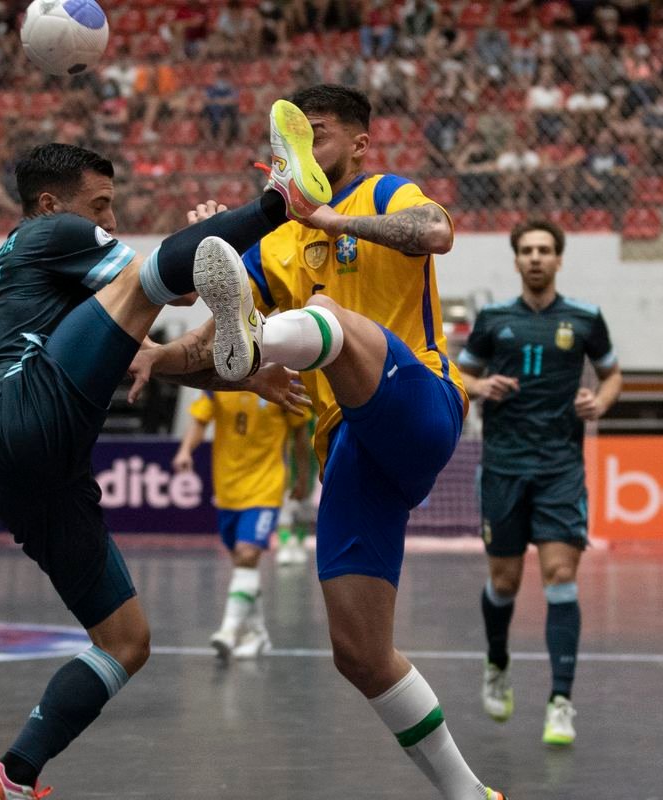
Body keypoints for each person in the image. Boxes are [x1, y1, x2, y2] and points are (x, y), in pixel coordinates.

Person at [0, 100, 333, 800]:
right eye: (101, 206)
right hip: (16, 409)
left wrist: (244, 374)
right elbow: (162, 283)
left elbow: (147, 353)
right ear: (52, 204)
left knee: (126, 641)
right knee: (145, 279)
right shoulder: (50, 233)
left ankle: (13, 774)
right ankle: (283, 199)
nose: (110, 219)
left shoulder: (53, 282)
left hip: (20, 469)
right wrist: (224, 235)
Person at [142, 84, 506, 800]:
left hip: (420, 402)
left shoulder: (384, 192)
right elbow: (215, 353)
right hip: (348, 448)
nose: (301, 149)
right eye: (292, 139)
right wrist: (156, 358)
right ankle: (471, 794)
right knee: (360, 654)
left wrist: (330, 218)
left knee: (327, 315)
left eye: (316, 135)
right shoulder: (274, 239)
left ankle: (273, 334)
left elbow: (435, 231)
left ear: (360, 144)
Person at [455, 219, 621, 749]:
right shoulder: (493, 319)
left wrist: (600, 402)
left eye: (544, 250)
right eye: (526, 250)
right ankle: (497, 661)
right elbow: (458, 375)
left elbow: (613, 374)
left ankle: (560, 701)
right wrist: (481, 386)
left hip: (560, 468)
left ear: (558, 259)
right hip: (503, 466)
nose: (535, 257)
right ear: (516, 259)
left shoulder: (586, 318)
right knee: (505, 583)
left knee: (560, 576)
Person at [172, 388, 309, 658]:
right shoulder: (218, 384)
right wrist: (185, 450)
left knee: (247, 554)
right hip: (228, 488)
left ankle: (228, 630)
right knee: (242, 565)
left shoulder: (280, 382)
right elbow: (200, 420)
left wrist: (302, 476)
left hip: (266, 486)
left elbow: (300, 433)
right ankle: (258, 635)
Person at [274, 411, 317, 566]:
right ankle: (284, 544)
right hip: (285, 465)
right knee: (285, 508)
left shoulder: (313, 412)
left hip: (309, 464)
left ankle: (300, 543)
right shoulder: (287, 409)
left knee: (304, 507)